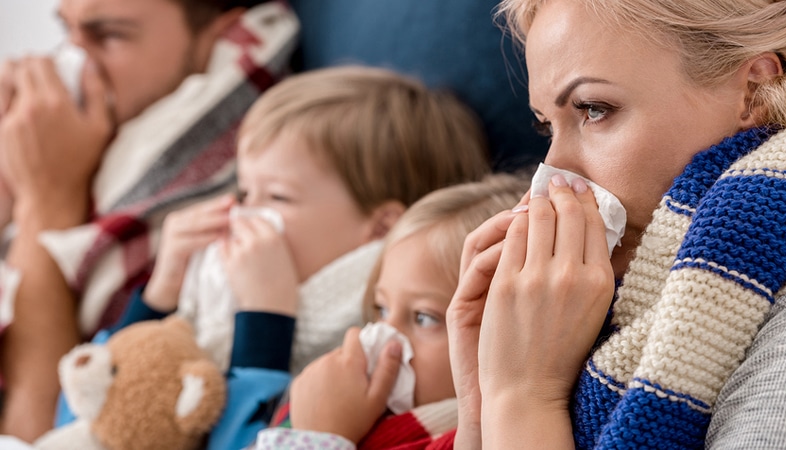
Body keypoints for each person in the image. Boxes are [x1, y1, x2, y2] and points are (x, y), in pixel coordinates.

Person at [444, 0, 786, 448]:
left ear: (754, 91)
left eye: (593, 109)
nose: (554, 172)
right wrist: (482, 408)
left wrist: (523, 397)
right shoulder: (604, 315)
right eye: (547, 128)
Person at [0, 0, 299, 439]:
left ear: (218, 34)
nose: (72, 61)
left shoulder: (229, 179)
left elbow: (37, 431)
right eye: (68, 31)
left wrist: (46, 200)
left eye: (109, 35)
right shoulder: (51, 134)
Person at [112, 64, 491, 374]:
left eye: (277, 196)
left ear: (380, 229)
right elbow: (99, 395)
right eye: (245, 193)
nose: (244, 213)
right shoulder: (215, 298)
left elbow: (257, 436)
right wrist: (162, 292)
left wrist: (265, 317)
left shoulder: (374, 335)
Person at [220, 174, 528, 450]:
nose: (384, 336)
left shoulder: (474, 439)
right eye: (381, 309)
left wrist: (317, 437)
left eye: (423, 317)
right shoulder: (346, 403)